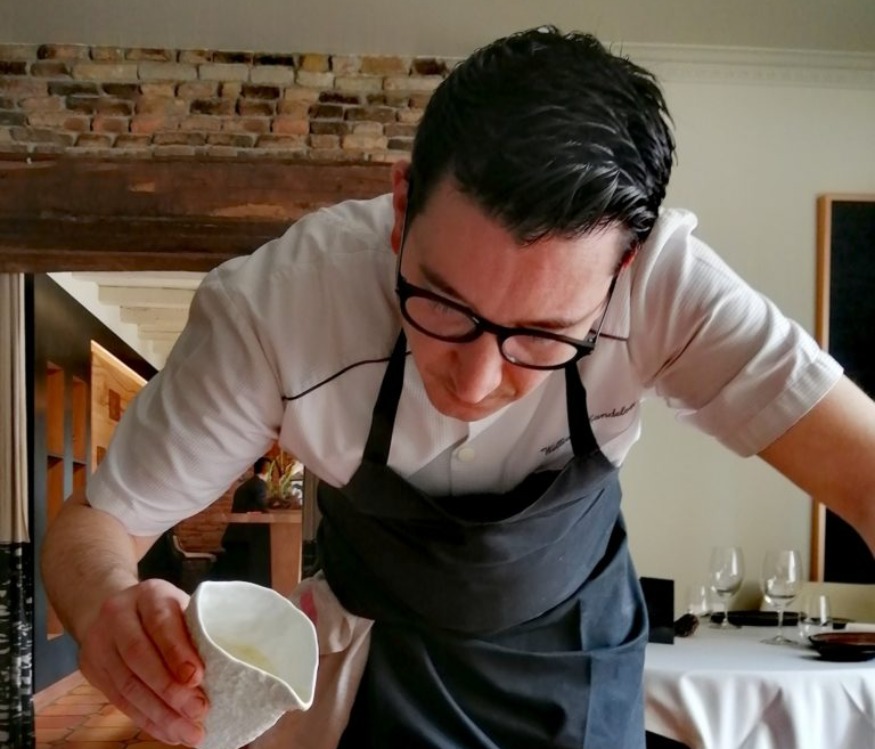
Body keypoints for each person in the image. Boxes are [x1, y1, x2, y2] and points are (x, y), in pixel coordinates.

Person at [41, 26, 875, 749]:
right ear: (402, 206)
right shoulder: (279, 307)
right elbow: (93, 527)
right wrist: (109, 609)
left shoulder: (668, 286)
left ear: (623, 270)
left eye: (541, 334)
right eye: (441, 304)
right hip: (377, 657)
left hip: (578, 659)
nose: (474, 381)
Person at [210, 457, 272, 586]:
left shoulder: (245, 486)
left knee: (236, 576)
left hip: (234, 535)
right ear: (266, 468)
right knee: (248, 577)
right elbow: (264, 506)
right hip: (248, 538)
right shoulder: (259, 485)